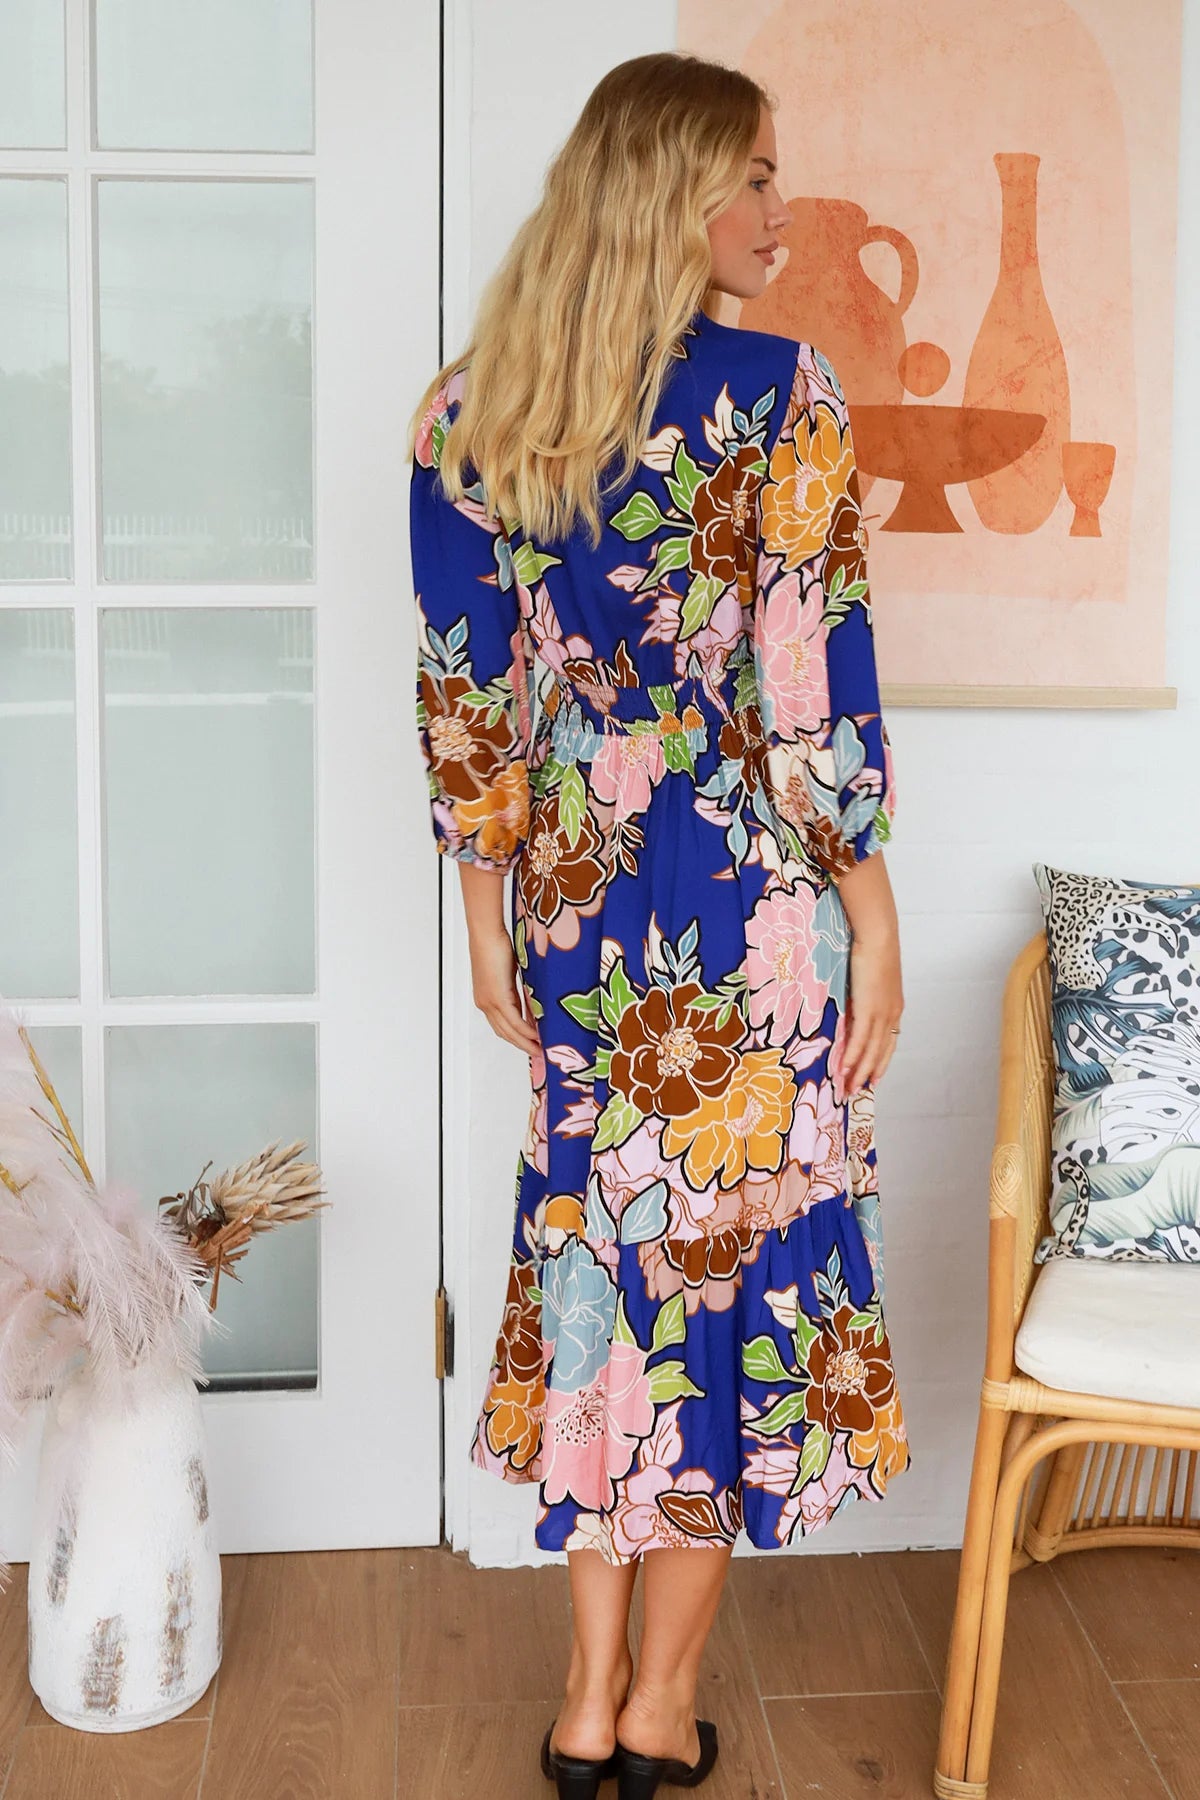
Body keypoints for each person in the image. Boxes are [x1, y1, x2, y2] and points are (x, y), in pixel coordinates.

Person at [406, 49, 908, 1800]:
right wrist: (871, 911)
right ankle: (659, 1710)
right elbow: (811, 694)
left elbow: (470, 695)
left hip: (577, 903)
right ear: (671, 188)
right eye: (754, 175)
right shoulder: (783, 396)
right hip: (752, 911)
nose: (782, 210)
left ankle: (582, 1698)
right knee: (733, 1276)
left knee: (602, 1267)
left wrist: (486, 923)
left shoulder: (475, 414)